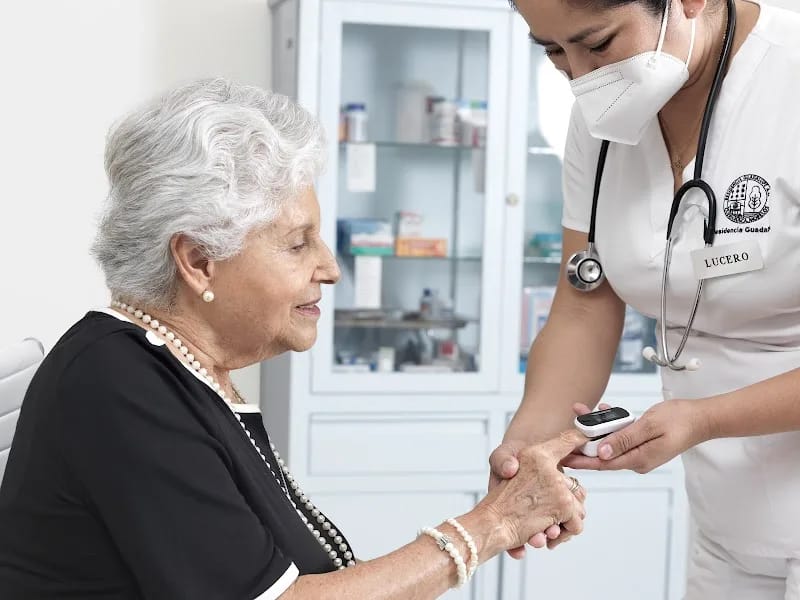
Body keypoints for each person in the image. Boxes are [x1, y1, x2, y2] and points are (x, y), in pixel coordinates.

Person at [0, 78, 588, 600]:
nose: (331, 268)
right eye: (297, 243)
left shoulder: (183, 374)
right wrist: (493, 525)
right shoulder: (115, 386)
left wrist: (506, 515)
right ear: (199, 260)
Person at [493, 0, 800, 597]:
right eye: (554, 52)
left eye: (598, 43)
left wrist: (706, 418)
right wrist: (527, 449)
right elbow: (585, 303)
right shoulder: (603, 117)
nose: (581, 78)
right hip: (727, 518)